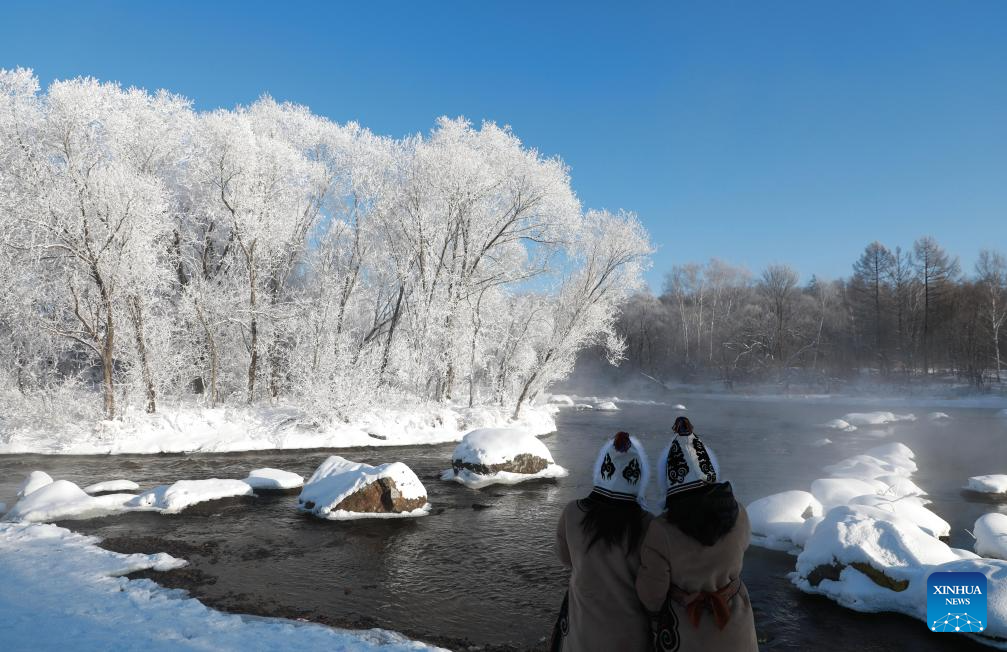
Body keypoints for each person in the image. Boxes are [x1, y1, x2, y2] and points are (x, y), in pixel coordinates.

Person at [635, 417, 758, 652]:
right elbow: (743, 547)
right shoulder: (739, 513)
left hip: (687, 629)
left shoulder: (661, 530)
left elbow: (652, 593)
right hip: (736, 623)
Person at [554, 431, 653, 651]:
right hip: (630, 637)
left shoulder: (572, 513)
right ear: (638, 478)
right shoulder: (648, 524)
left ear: (601, 470)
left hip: (581, 632)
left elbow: (566, 558)